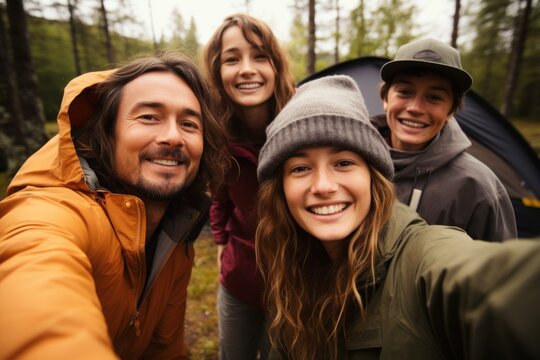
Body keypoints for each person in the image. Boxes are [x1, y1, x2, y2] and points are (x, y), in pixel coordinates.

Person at [255, 75, 540, 359]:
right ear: (280, 188)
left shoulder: (421, 257)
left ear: (372, 176)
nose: (323, 186)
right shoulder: (291, 260)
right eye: (300, 168)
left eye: (343, 163)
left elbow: (492, 284)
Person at [0, 53, 229, 359]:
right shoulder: (54, 213)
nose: (174, 137)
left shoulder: (177, 232)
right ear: (107, 132)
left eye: (189, 124)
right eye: (149, 117)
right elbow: (34, 283)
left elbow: (164, 347)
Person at [202, 13, 296, 360]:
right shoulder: (215, 136)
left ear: (276, 66)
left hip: (294, 286)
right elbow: (220, 199)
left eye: (259, 56)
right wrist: (221, 241)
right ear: (217, 71)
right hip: (238, 281)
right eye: (231, 58)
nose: (246, 69)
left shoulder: (301, 128)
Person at [372, 38, 516, 242]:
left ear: (451, 111)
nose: (415, 108)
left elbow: (498, 269)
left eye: (434, 97)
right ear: (386, 99)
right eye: (405, 92)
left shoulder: (478, 187)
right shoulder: (354, 162)